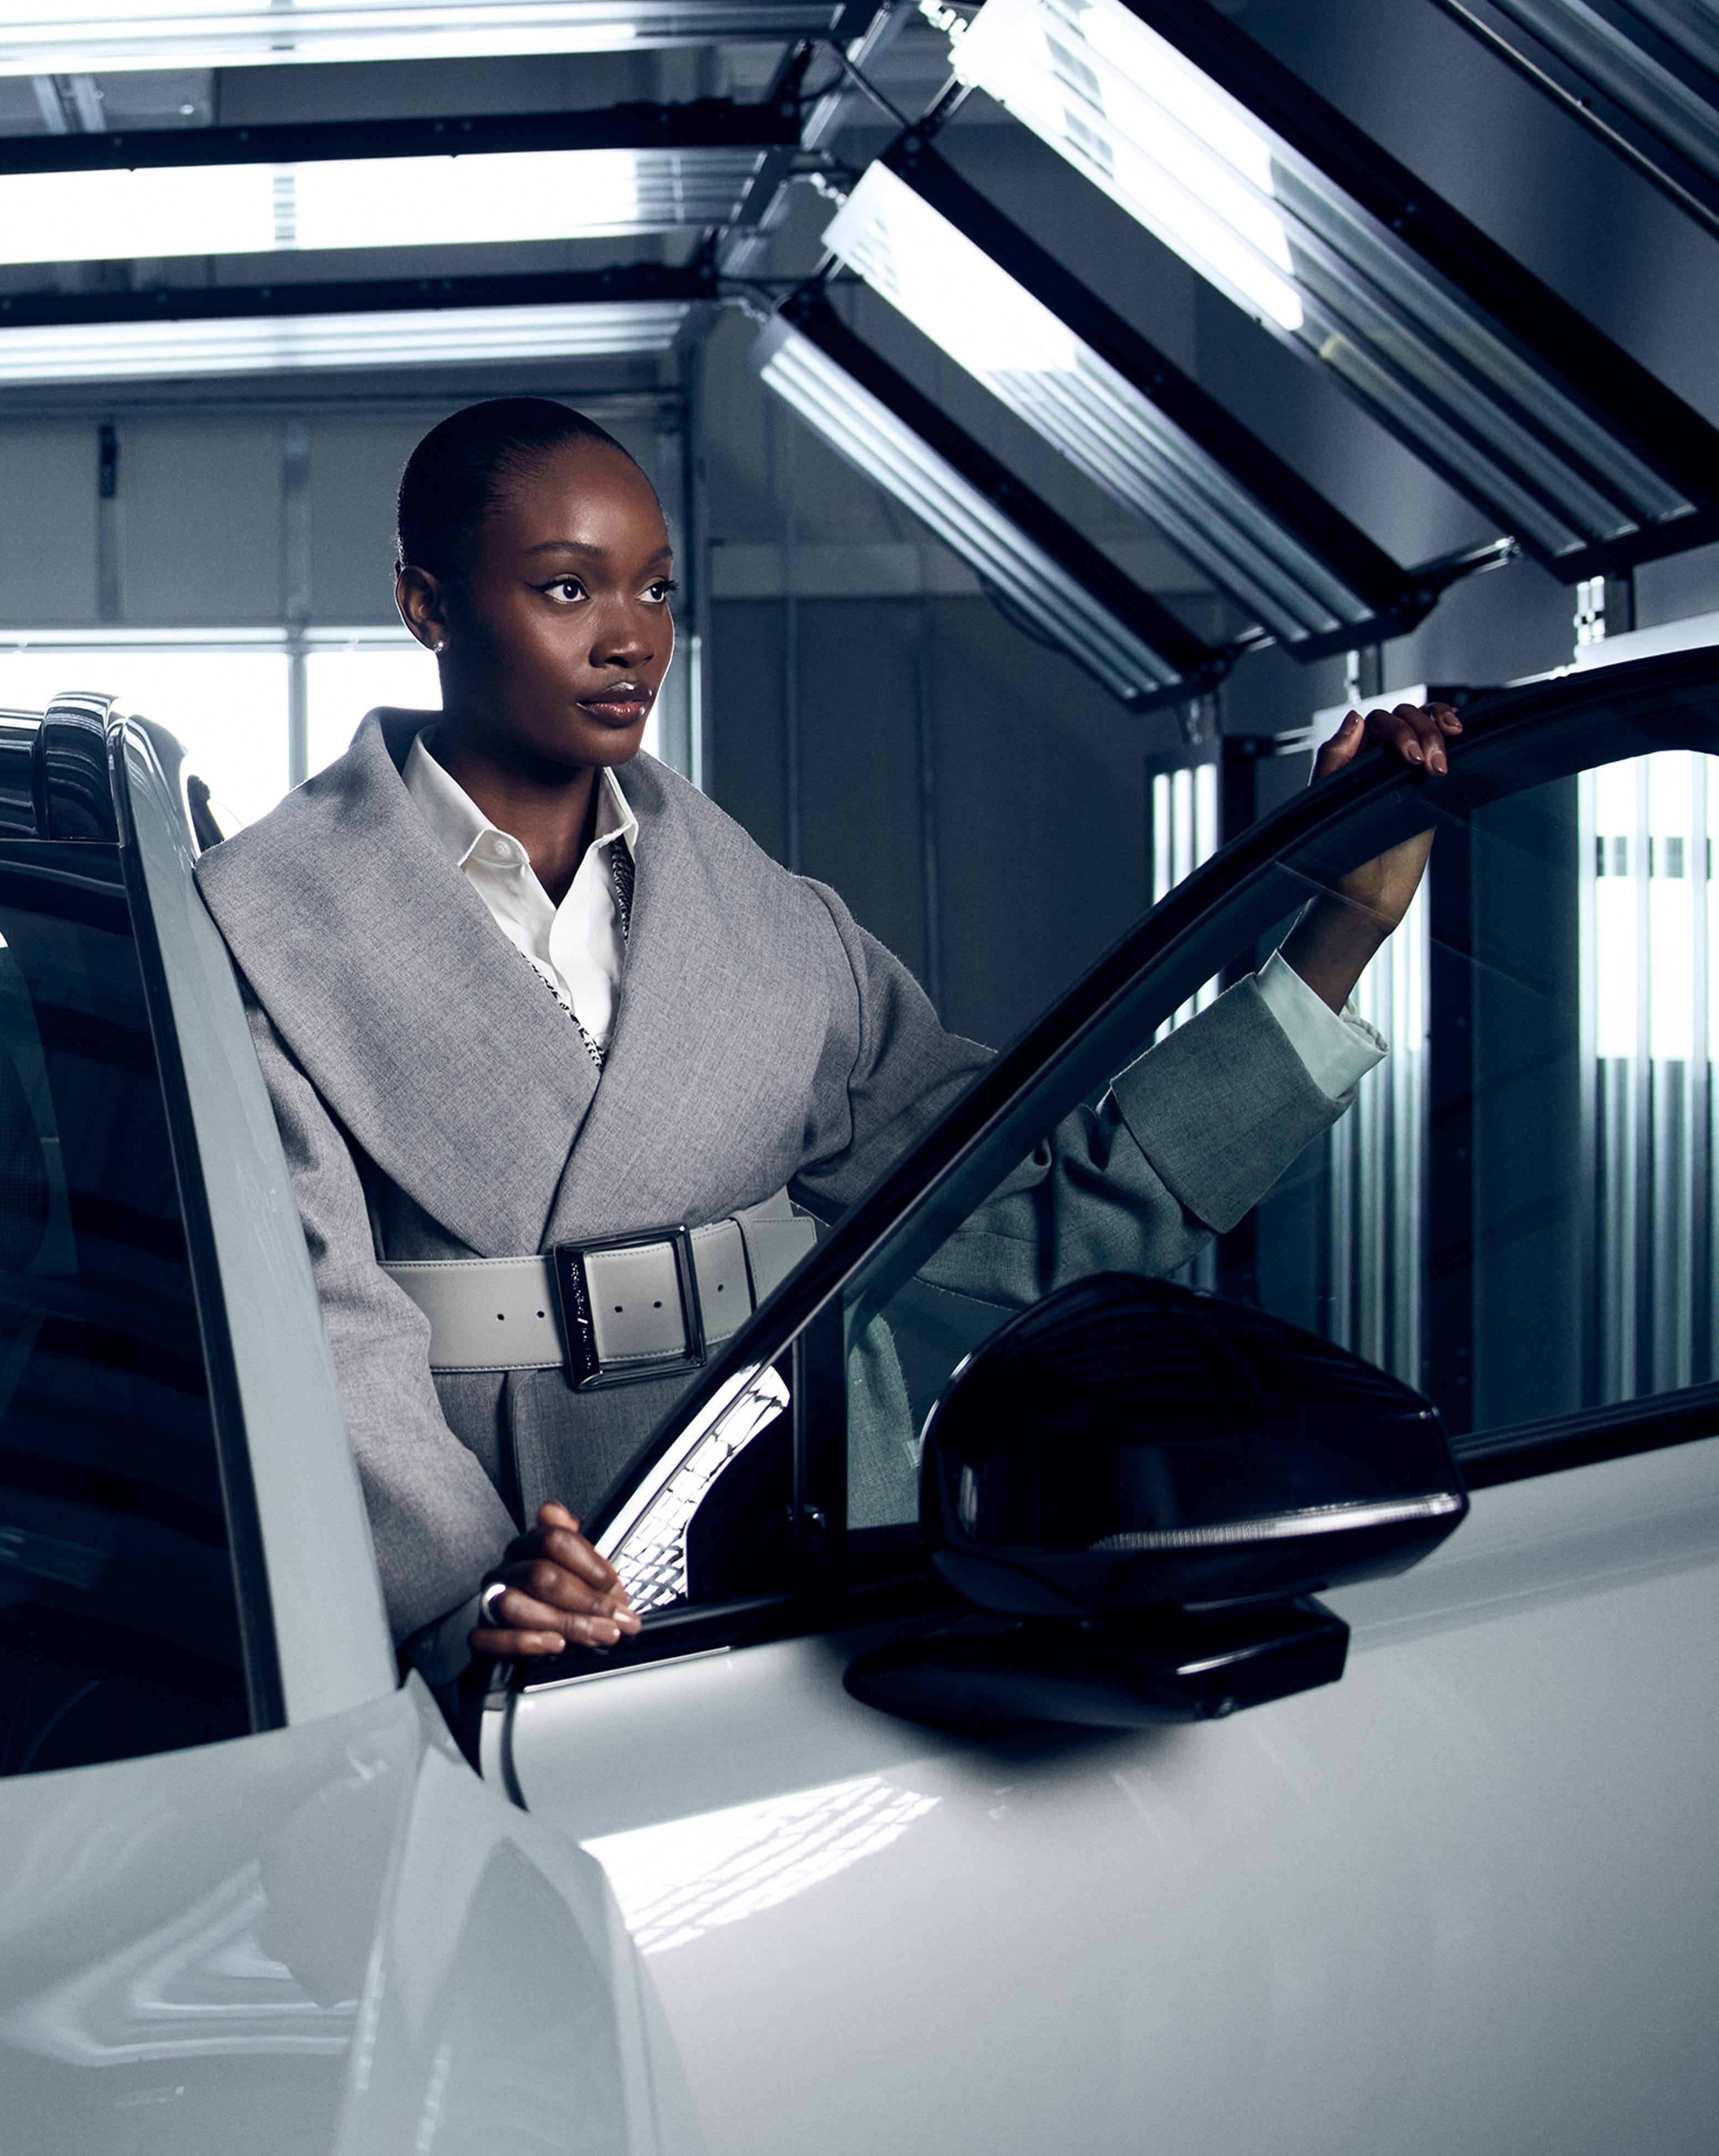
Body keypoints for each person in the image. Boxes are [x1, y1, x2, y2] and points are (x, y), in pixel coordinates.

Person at [194, 399, 1457, 1685]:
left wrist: (1335, 931)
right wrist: (477, 1600)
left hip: (811, 1532)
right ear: (428, 606)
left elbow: (1036, 1206)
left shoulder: (779, 930)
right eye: (567, 588)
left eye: (658, 591)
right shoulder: (262, 929)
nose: (630, 638)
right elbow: (321, 1339)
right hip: (508, 1576)